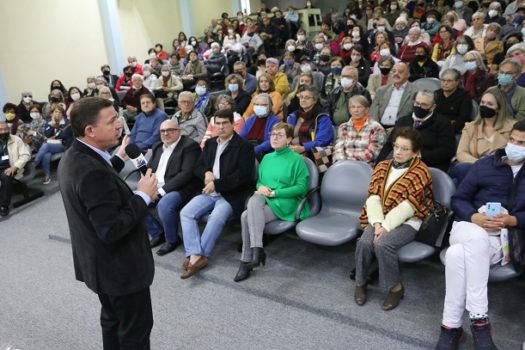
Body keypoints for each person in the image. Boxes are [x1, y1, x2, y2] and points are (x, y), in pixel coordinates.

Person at [58, 97, 157, 349]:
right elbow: (110, 228)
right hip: (120, 270)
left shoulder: (74, 156)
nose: (119, 125)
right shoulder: (92, 172)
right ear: (90, 130)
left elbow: (98, 187)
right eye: (112, 121)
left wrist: (119, 158)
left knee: (113, 323)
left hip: (99, 266)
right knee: (134, 333)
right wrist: (143, 195)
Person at [434, 121, 525, 350]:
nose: (515, 145)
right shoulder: (485, 165)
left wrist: (514, 220)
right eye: (513, 139)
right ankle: (480, 322)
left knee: (456, 256)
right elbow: (458, 199)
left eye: (522, 143)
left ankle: (450, 327)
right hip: (466, 227)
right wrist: (474, 217)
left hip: (501, 238)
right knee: (475, 238)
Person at [355, 127, 433, 311]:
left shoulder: (421, 172)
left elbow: (409, 206)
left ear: (416, 152)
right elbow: (373, 197)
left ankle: (395, 288)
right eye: (396, 146)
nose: (398, 152)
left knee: (383, 244)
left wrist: (386, 227)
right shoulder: (382, 166)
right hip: (379, 218)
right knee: (364, 243)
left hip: (409, 221)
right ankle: (360, 281)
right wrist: (377, 223)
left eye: (405, 149)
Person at [179, 109, 255, 279]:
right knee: (186, 213)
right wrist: (206, 172)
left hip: (231, 194)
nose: (221, 127)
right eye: (217, 123)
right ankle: (195, 254)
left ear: (232, 124)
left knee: (216, 217)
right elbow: (198, 167)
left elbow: (242, 177)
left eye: (224, 123)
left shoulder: (244, 146)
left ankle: (198, 257)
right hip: (209, 191)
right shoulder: (211, 143)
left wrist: (217, 184)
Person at [234, 122, 310, 282]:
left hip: (286, 201)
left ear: (289, 139)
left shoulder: (298, 160)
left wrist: (275, 193)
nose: (274, 138)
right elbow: (260, 181)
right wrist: (261, 187)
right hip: (265, 200)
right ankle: (255, 252)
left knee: (245, 216)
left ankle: (249, 257)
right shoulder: (267, 158)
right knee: (252, 205)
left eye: (279, 135)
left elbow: (301, 189)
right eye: (272, 135)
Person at [145, 119, 201, 256]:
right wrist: (146, 184)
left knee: (165, 204)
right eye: (163, 131)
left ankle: (172, 239)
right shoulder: (158, 146)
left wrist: (159, 192)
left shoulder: (190, 146)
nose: (166, 133)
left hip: (182, 187)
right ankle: (157, 233)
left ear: (179, 131)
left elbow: (186, 174)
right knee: (133, 198)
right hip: (158, 184)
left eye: (170, 130)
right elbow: (150, 168)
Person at [376, 90, 456, 171]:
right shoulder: (403, 121)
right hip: (399, 165)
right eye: (417, 103)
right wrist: (379, 165)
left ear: (433, 107)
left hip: (428, 167)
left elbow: (447, 150)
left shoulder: (443, 123)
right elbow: (389, 145)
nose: (419, 107)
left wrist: (420, 155)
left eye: (424, 105)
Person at [451, 90, 516, 185]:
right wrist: (481, 164)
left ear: (498, 108)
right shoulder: (471, 127)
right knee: (462, 169)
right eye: (482, 102)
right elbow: (461, 153)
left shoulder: (512, 127)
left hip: (501, 169)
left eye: (489, 104)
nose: (484, 106)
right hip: (475, 167)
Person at [334, 95, 387, 166]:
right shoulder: (343, 127)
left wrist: (351, 162)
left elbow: (373, 153)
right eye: (353, 107)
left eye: (359, 107)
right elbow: (338, 147)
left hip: (365, 165)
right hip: (343, 164)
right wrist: (343, 162)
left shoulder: (376, 128)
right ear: (349, 110)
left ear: (366, 109)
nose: (356, 110)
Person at [287, 85, 334, 156]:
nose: (303, 100)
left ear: (315, 100)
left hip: (312, 154)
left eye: (307, 98)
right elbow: (286, 136)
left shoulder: (322, 117)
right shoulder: (293, 116)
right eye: (301, 97)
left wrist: (304, 148)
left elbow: (322, 141)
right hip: (292, 151)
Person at [370, 62, 418, 128]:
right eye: (394, 71)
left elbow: (413, 114)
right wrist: (378, 127)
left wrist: (396, 128)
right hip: (379, 127)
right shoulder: (381, 90)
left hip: (401, 129)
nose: (396, 74)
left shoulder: (415, 92)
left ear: (408, 74)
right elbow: (373, 112)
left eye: (400, 72)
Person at [34, 105, 73, 184]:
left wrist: (57, 127)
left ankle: (35, 162)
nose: (58, 114)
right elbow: (47, 135)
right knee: (46, 155)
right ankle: (47, 176)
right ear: (52, 113)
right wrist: (52, 125)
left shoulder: (67, 123)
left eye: (60, 112)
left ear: (63, 114)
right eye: (56, 112)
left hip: (65, 145)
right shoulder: (49, 123)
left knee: (46, 145)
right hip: (53, 145)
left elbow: (64, 135)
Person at [0, 121, 31, 217]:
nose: (4, 131)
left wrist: (15, 166)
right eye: (1, 130)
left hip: (12, 167)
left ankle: (4, 206)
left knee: (5, 176)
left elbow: (26, 155)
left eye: (6, 129)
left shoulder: (16, 140)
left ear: (9, 130)